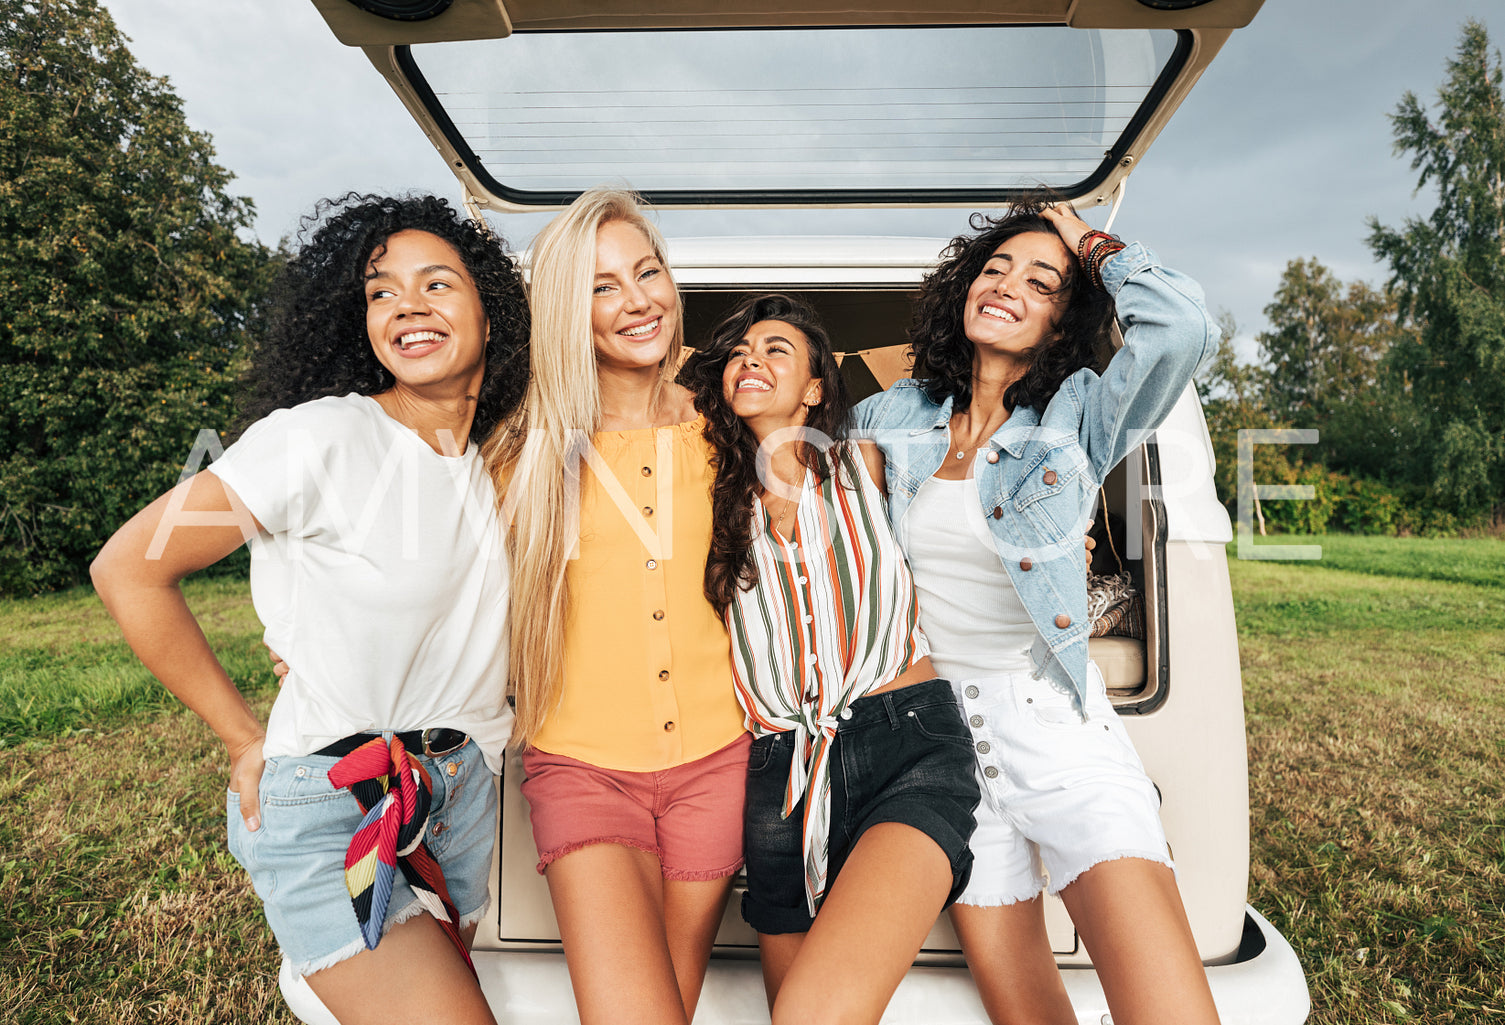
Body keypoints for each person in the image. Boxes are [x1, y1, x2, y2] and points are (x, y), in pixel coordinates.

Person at [91, 194, 530, 1025]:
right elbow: (127, 569)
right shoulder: (323, 438)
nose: (406, 305)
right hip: (335, 801)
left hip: (458, 803)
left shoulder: (494, 461)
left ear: (490, 307)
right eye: (380, 291)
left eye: (437, 283)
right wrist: (240, 734)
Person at [854, 198, 1223, 1025]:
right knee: (1027, 1013)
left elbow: (1183, 327)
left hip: (1057, 730)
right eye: (993, 270)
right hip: (941, 748)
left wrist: (1089, 244)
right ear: (961, 291)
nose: (1007, 286)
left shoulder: (1079, 415)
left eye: (1040, 280)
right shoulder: (890, 416)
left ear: (1064, 319)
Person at [483, 187, 748, 1025]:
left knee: (673, 1000)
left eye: (647, 270)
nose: (638, 300)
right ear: (568, 308)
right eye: (603, 285)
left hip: (719, 763)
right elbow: (435, 585)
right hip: (583, 768)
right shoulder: (519, 452)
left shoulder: (732, 425)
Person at [678, 293, 980, 1024]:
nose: (752, 359)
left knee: (814, 1011)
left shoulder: (868, 461)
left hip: (905, 742)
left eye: (776, 349)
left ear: (815, 387)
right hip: (781, 774)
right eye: (740, 352)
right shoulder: (701, 494)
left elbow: (976, 484)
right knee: (793, 1010)